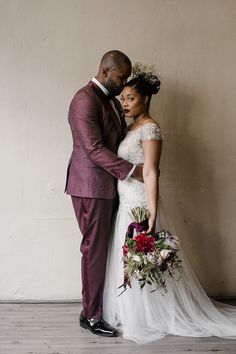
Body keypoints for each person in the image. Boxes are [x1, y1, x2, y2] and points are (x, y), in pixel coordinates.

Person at [103, 63, 236, 344]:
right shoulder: (131, 127)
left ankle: (150, 314)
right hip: (125, 198)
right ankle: (133, 312)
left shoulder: (150, 129)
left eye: (132, 98)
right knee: (130, 259)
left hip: (138, 201)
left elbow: (151, 171)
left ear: (146, 99)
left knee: (142, 258)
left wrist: (152, 212)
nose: (125, 103)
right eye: (123, 97)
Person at [65, 50, 143, 337]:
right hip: (91, 188)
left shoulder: (105, 100)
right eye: (122, 77)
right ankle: (91, 316)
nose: (124, 84)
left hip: (107, 186)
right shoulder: (84, 100)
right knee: (94, 251)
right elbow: (94, 149)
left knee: (103, 250)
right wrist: (133, 170)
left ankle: (99, 309)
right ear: (106, 71)